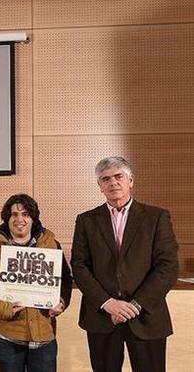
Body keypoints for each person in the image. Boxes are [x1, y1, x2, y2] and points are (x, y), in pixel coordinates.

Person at [71, 156, 178, 372]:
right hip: (102, 317)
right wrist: (108, 303)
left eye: (119, 176)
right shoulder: (86, 220)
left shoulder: (156, 217)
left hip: (146, 316)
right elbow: (80, 266)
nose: (113, 183)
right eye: (106, 179)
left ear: (130, 180)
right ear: (100, 186)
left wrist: (135, 305)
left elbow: (167, 267)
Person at [0, 194, 72, 372]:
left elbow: (65, 279)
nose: (20, 219)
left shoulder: (51, 244)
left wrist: (62, 302)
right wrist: (1, 308)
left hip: (43, 334)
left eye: (25, 214)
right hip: (7, 334)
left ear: (33, 218)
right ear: (7, 218)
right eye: (14, 214)